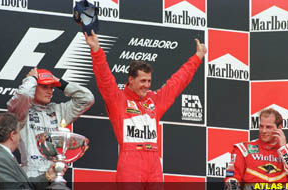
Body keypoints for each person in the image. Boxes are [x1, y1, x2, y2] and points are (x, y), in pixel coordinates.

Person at [85, 30, 207, 182]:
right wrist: (96, 51)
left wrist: (197, 58)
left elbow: (178, 82)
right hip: (130, 164)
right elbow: (104, 78)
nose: (147, 85)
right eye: (143, 81)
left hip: (154, 165)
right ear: (131, 80)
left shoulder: (154, 100)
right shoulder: (118, 100)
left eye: (149, 81)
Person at [7, 68, 95, 178]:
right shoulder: (21, 112)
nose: (50, 91)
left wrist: (60, 83)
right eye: (44, 87)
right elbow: (24, 94)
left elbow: (87, 98)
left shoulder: (58, 110)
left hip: (55, 172)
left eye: (52, 87)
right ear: (34, 87)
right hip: (31, 175)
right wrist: (32, 79)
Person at [224, 108, 288, 189]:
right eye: (261, 126)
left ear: (279, 128)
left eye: (268, 127)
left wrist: (284, 149)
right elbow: (232, 178)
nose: (263, 131)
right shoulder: (243, 149)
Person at [0, 112, 58, 189]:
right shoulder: (0, 158)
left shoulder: (3, 156)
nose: (19, 138)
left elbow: (22, 185)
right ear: (12, 135)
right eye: (19, 133)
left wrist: (48, 176)